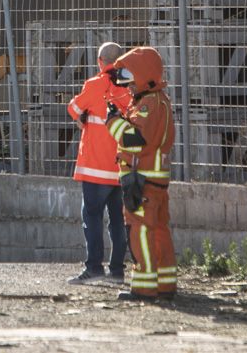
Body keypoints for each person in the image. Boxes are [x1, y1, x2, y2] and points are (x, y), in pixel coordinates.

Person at [106, 46, 177, 302]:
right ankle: (165, 284)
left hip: (142, 179)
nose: (129, 87)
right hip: (154, 179)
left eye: (130, 79)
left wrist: (113, 121)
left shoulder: (148, 105)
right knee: (158, 230)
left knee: (140, 232)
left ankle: (144, 287)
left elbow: (135, 141)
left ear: (144, 75)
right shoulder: (160, 101)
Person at [65, 41, 131, 285]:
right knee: (118, 220)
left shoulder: (94, 84)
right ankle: (117, 271)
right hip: (122, 166)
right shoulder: (129, 87)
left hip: (95, 168)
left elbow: (73, 108)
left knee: (91, 217)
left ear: (99, 62)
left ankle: (94, 268)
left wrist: (83, 116)